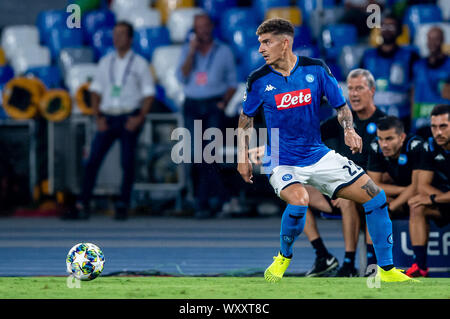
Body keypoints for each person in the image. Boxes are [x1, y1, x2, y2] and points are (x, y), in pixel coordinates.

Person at [237, 18, 415, 283]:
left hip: (318, 155)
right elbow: (245, 120)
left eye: (266, 42)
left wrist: (349, 129)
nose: (261, 49)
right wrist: (243, 156)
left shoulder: (317, 69)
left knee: (376, 198)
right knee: (299, 201)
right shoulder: (258, 80)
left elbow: (341, 107)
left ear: (284, 43)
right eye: (260, 43)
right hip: (281, 160)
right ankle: (284, 256)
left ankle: (386, 271)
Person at [66, 21, 155, 220]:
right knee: (92, 161)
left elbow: (149, 94)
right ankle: (83, 203)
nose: (117, 38)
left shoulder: (140, 64)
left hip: (129, 116)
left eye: (122, 34)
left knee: (127, 162)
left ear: (131, 39)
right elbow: (95, 91)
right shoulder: (106, 62)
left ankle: (123, 203)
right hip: (107, 116)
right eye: (115, 34)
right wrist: (97, 116)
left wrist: (140, 118)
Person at [304, 68, 386, 277]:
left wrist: (343, 188)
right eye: (350, 89)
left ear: (372, 90)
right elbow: (306, 138)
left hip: (368, 191)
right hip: (337, 190)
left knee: (349, 197)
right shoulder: (340, 121)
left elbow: (386, 171)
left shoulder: (385, 124)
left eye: (359, 88)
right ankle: (323, 256)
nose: (354, 94)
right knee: (293, 192)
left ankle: (353, 264)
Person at [176, 13, 237, 219]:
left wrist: (223, 103)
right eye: (198, 27)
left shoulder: (224, 51)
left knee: (208, 153)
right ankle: (220, 198)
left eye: (205, 26)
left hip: (213, 104)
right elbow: (181, 76)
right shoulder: (187, 50)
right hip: (192, 104)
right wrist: (191, 52)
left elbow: (232, 82)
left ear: (211, 27)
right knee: (197, 154)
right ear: (194, 30)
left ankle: (204, 202)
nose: (202, 30)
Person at [407, 104, 450, 277]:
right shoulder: (430, 146)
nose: (438, 132)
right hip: (443, 202)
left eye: (443, 127)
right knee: (417, 206)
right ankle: (420, 266)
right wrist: (438, 198)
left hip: (438, 200)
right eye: (434, 127)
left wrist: (432, 199)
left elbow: (428, 194)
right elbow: (422, 185)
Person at [360, 12, 419, 132]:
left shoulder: (410, 55)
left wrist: (413, 119)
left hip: (402, 117)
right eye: (384, 26)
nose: (387, 30)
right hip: (373, 118)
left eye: (391, 26)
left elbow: (416, 89)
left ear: (399, 30)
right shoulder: (367, 56)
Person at [412, 26, 450, 137]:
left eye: (436, 39)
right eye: (429, 39)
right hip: (420, 124)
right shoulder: (418, 65)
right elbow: (413, 95)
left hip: (443, 126)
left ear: (443, 40)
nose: (432, 42)